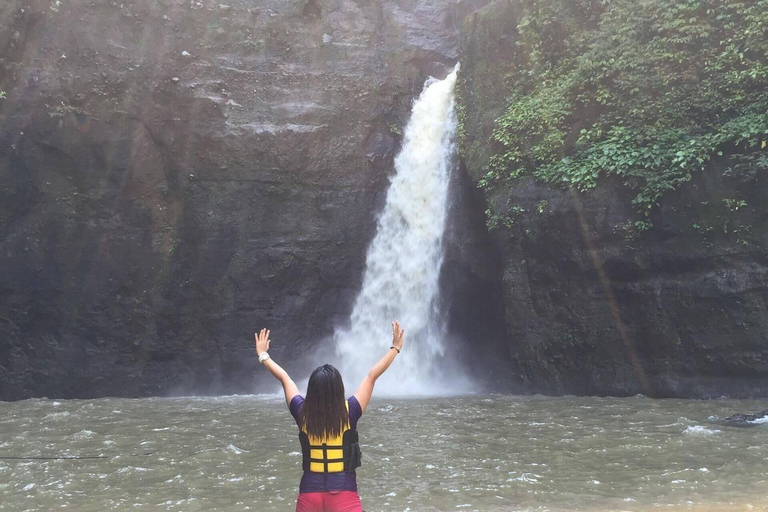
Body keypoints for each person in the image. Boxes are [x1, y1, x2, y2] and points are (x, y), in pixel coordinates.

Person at [254, 321, 406, 512]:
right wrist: (395, 348)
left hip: (309, 495)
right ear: (338, 389)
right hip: (344, 494)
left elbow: (285, 379)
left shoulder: (302, 413)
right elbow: (371, 376)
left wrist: (263, 355)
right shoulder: (349, 411)